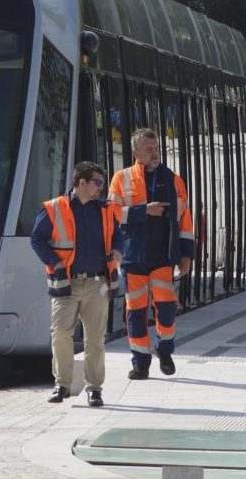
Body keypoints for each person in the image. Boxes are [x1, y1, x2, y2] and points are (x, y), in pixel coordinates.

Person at [30, 161, 123, 407]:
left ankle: (94, 389)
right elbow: (37, 238)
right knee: (60, 333)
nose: (100, 188)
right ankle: (62, 385)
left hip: (97, 282)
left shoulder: (105, 209)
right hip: (66, 282)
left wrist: (118, 251)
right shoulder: (54, 208)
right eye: (97, 183)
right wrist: (54, 262)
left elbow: (119, 234)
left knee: (95, 338)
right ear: (82, 182)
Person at [109, 128, 195, 380]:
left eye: (156, 148)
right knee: (135, 311)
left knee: (166, 308)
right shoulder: (121, 178)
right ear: (135, 152)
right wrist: (143, 211)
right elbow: (112, 214)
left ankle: (165, 349)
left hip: (162, 256)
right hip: (133, 257)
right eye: (148, 149)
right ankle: (140, 363)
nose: (154, 153)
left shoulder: (173, 179)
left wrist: (186, 254)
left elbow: (184, 219)